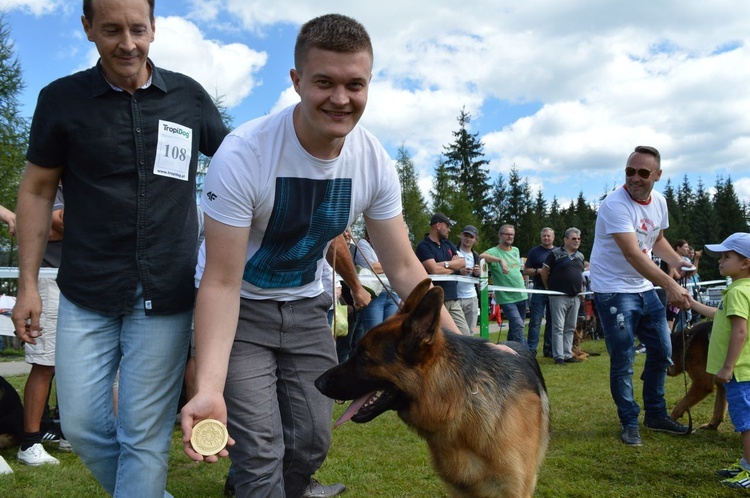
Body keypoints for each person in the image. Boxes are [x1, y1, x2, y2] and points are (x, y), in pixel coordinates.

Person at [180, 14, 471, 498]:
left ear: (369, 83)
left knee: (312, 441)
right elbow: (222, 281)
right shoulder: (244, 153)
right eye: (324, 82)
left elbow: (402, 267)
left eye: (355, 84)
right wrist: (208, 386)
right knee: (261, 450)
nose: (341, 98)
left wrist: (463, 350)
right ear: (296, 81)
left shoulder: (373, 161)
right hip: (242, 310)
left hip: (308, 309)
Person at [11, 0, 229, 495]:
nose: (126, 44)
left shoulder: (189, 98)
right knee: (85, 427)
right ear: (88, 29)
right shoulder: (60, 100)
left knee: (144, 436)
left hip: (166, 292)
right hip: (87, 290)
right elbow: (38, 190)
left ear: (154, 28)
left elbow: (235, 163)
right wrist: (28, 284)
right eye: (111, 30)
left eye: (137, 29)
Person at [589, 145, 691, 447]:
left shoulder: (659, 201)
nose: (634, 178)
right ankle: (629, 420)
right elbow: (634, 254)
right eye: (629, 171)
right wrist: (670, 285)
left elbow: (656, 239)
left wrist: (676, 262)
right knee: (624, 359)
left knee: (662, 350)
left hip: (643, 288)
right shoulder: (614, 205)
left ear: (657, 175)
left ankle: (656, 415)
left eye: (643, 173)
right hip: (613, 291)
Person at [686, 233, 750, 489]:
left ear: (745, 263)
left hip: (741, 373)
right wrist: (691, 303)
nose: (720, 261)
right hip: (744, 371)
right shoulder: (739, 290)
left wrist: (727, 366)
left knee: (746, 425)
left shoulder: (737, 292)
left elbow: (740, 331)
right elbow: (719, 314)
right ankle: (745, 464)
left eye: (726, 256)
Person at [18, 185, 66, 466]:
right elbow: (52, 227)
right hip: (49, 282)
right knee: (44, 364)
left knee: (75, 364)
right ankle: (30, 442)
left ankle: (67, 432)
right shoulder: (52, 184)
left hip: (78, 279)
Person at [415, 213, 472, 335]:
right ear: (439, 225)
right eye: (447, 226)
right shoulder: (423, 246)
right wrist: (452, 265)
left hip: (453, 298)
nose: (449, 230)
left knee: (464, 334)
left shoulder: (448, 244)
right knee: (440, 336)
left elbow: (462, 262)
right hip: (435, 300)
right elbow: (434, 270)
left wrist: (444, 265)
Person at [540, 228, 585, 366]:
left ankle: (567, 353)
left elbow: (580, 276)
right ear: (565, 240)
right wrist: (549, 288)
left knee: (570, 327)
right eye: (573, 238)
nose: (576, 241)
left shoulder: (581, 256)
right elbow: (544, 271)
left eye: (578, 239)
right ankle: (558, 356)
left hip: (575, 296)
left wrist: (581, 292)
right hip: (558, 296)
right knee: (558, 327)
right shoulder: (555, 254)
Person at [480, 225, 528, 344]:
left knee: (515, 328)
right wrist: (500, 260)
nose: (509, 237)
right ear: (500, 235)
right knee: (518, 326)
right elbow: (481, 256)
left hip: (521, 295)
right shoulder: (494, 251)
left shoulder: (516, 250)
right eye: (507, 234)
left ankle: (509, 352)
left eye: (512, 234)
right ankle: (524, 357)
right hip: (507, 298)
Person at [354, 227, 400, 332]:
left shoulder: (390, 247)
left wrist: (385, 266)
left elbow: (400, 267)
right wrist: (393, 265)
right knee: (373, 334)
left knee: (389, 334)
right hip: (374, 295)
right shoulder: (363, 243)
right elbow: (372, 267)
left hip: (393, 294)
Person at [524, 227, 555, 356]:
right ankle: (531, 350)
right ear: (541, 237)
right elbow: (526, 271)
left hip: (554, 291)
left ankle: (549, 349)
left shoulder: (559, 251)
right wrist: (539, 271)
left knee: (552, 321)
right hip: (539, 289)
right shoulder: (534, 252)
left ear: (553, 237)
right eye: (544, 236)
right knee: (535, 321)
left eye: (548, 236)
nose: (546, 238)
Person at [455, 225, 481, 334]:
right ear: (461, 235)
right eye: (466, 235)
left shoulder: (476, 256)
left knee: (470, 332)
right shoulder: (453, 252)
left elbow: (480, 276)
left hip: (472, 298)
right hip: (455, 298)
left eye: (471, 237)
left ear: (475, 240)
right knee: (455, 332)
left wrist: (477, 273)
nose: (468, 239)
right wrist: (459, 271)